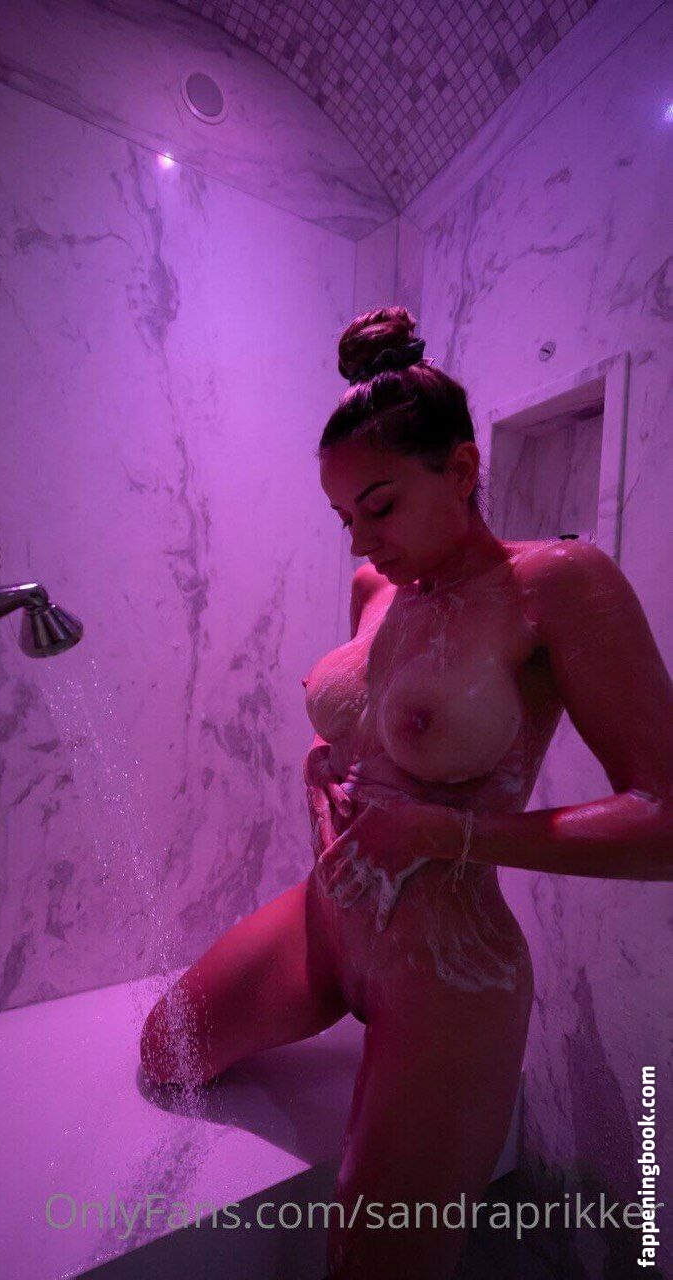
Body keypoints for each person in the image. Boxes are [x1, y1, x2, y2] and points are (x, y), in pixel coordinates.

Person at [139, 305, 673, 1279]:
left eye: (379, 506)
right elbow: (378, 719)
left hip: (445, 965)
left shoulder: (556, 585)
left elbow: (665, 822)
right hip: (328, 919)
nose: (363, 538)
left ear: (461, 470)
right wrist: (322, 758)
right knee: (163, 1052)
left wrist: (448, 833)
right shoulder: (373, 589)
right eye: (346, 517)